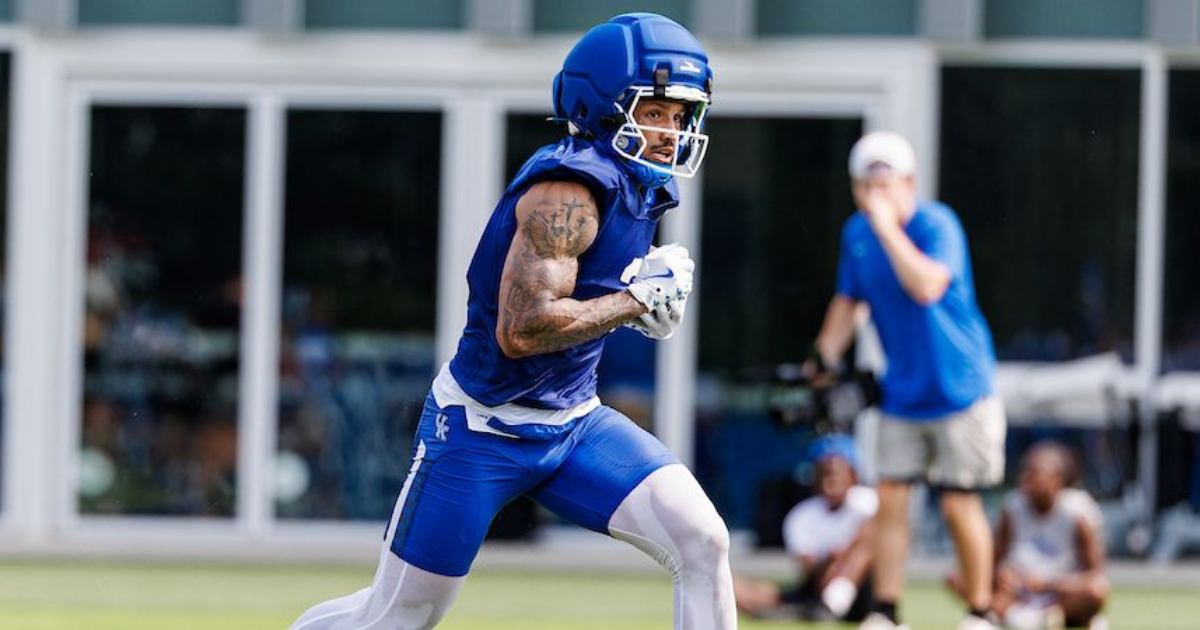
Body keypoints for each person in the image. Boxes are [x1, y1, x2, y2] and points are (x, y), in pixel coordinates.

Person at [286, 13, 737, 630]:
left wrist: (632, 307)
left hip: (575, 424)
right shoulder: (568, 193)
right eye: (655, 110)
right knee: (400, 615)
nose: (671, 131)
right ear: (603, 103)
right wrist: (635, 301)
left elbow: (592, 299)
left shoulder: (638, 184)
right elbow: (523, 331)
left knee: (703, 540)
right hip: (481, 429)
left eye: (682, 114)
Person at [809, 131, 1007, 630]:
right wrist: (824, 356)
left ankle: (979, 611)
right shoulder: (855, 235)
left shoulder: (938, 224)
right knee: (891, 501)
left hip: (960, 389)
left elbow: (926, 286)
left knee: (960, 502)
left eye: (886, 182)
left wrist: (886, 227)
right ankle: (886, 610)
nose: (876, 193)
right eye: (867, 183)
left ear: (909, 183)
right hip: (903, 391)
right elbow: (849, 301)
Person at [947, 441, 1109, 630]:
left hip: (1058, 593)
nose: (1026, 480)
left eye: (1034, 474)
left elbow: (1095, 575)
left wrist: (1048, 584)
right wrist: (1003, 575)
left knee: (1095, 591)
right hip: (1019, 593)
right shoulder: (1013, 507)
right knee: (959, 577)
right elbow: (991, 560)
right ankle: (1033, 619)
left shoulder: (1078, 513)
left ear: (1056, 478)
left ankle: (1035, 618)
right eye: (1025, 473)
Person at [734, 434, 877, 622]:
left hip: (864, 593)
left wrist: (845, 553)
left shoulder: (869, 502)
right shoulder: (801, 516)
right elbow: (809, 571)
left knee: (866, 546)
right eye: (824, 474)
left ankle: (833, 604)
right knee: (741, 589)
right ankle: (816, 608)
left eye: (837, 474)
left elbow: (874, 541)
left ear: (853, 475)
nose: (831, 482)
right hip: (819, 586)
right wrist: (829, 562)